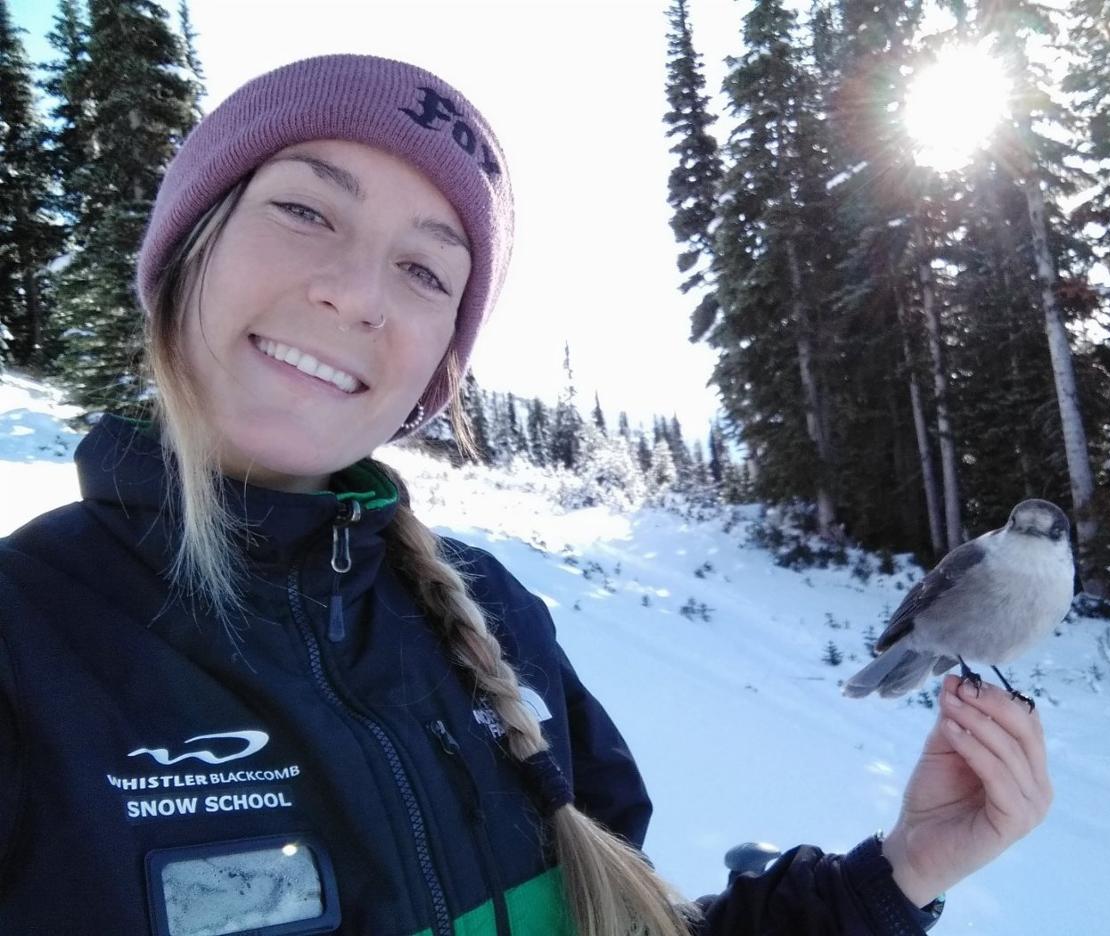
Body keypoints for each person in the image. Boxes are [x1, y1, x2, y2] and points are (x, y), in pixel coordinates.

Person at [0, 54, 1052, 936]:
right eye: (303, 210)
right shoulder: (27, 645)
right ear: (187, 251)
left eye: (426, 271)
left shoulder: (495, 617)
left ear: (435, 374)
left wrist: (905, 866)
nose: (358, 292)